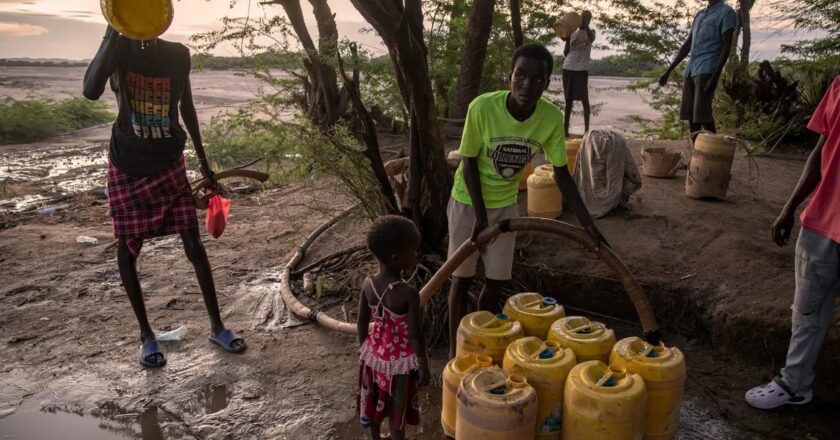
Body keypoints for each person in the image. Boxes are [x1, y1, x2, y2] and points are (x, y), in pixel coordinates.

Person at [83, 25, 246, 368]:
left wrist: (204, 164)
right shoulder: (118, 51)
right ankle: (146, 335)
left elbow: (186, 107)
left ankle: (217, 327)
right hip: (127, 164)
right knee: (127, 252)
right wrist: (114, 27)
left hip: (169, 162)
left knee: (194, 245)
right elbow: (90, 90)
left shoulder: (176, 54)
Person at [447, 43, 608, 358]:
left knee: (495, 282)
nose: (527, 84)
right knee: (461, 279)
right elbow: (467, 163)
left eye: (537, 79)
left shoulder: (549, 117)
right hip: (468, 202)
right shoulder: (481, 108)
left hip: (507, 207)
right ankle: (457, 354)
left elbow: (562, 175)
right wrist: (479, 217)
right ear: (510, 76)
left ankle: (481, 345)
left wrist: (589, 224)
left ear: (547, 84)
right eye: (520, 75)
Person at [745, 76, 840, 409]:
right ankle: (794, 384)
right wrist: (789, 207)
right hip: (824, 221)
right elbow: (821, 150)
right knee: (807, 311)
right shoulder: (839, 86)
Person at [357, 215, 430, 440]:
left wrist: (366, 350)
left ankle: (375, 438)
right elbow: (415, 335)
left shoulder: (368, 284)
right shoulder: (408, 293)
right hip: (399, 363)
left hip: (373, 356)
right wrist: (424, 365)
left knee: (374, 402)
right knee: (396, 411)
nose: (416, 255)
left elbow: (361, 323)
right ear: (397, 258)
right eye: (413, 251)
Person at [659, 0, 736, 142]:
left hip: (707, 69)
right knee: (691, 115)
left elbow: (726, 47)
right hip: (691, 70)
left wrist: (715, 77)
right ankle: (697, 156)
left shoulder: (727, 13)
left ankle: (716, 153)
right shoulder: (700, 15)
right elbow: (688, 44)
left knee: (703, 115)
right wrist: (669, 70)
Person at [561, 10, 596, 136]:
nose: (585, 20)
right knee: (568, 101)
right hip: (568, 68)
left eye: (587, 18)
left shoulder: (591, 33)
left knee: (585, 101)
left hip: (581, 70)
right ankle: (565, 131)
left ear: (590, 20)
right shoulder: (573, 34)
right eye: (583, 18)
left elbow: (591, 39)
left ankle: (586, 131)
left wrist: (585, 24)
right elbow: (566, 53)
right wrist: (567, 38)